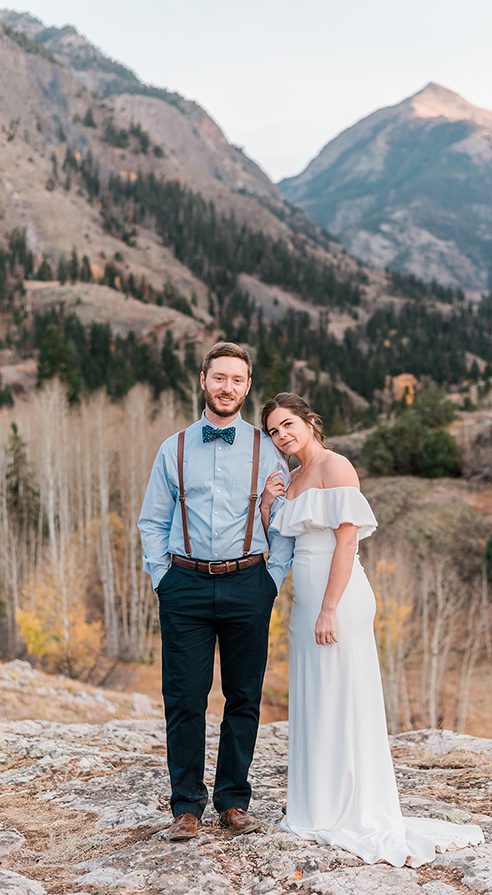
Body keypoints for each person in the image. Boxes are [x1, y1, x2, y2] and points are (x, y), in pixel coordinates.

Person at [260, 392, 484, 866]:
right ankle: (316, 803)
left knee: (343, 694)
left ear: (308, 420)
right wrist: (267, 504)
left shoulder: (336, 467)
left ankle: (354, 805)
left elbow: (345, 545)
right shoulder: (293, 477)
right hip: (306, 601)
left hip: (337, 598)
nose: (281, 435)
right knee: (315, 695)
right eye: (274, 431)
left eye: (287, 425)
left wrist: (328, 608)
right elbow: (277, 535)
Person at [137, 342, 294, 842]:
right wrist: (162, 577)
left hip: (250, 582)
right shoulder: (173, 447)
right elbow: (152, 521)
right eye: (219, 377)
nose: (228, 387)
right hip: (184, 585)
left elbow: (284, 523)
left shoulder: (267, 448)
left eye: (238, 379)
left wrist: (274, 578)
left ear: (247, 387)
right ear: (203, 380)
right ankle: (186, 806)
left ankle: (232, 800)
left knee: (244, 696)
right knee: (184, 698)